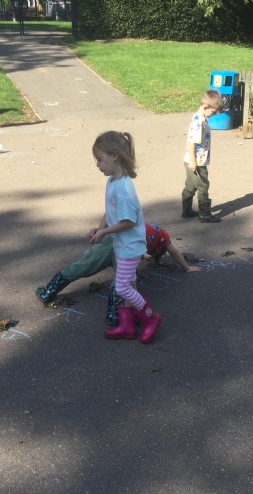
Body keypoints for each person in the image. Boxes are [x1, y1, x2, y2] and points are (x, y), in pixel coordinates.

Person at [35, 223, 202, 324]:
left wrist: (100, 229)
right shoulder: (163, 238)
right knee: (123, 280)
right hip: (124, 248)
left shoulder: (149, 230)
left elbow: (115, 219)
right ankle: (114, 313)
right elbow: (175, 252)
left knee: (82, 266)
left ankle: (49, 292)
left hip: (113, 239)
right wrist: (187, 268)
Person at [88, 131, 162, 344]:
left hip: (130, 246)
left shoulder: (124, 188)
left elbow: (129, 221)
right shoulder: (113, 181)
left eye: (100, 159)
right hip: (122, 244)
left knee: (122, 287)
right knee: (130, 283)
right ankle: (128, 326)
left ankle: (151, 317)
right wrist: (99, 228)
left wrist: (104, 232)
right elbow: (110, 210)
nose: (97, 164)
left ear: (114, 156)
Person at [181, 89, 223, 222]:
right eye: (213, 112)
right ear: (205, 107)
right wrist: (193, 161)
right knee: (203, 186)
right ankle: (204, 214)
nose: (213, 114)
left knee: (190, 186)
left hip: (194, 160)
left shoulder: (201, 118)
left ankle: (187, 211)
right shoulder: (198, 122)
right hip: (197, 162)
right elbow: (191, 143)